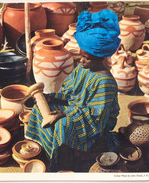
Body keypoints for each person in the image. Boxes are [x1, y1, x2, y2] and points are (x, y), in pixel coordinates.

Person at [25, 9, 121, 172]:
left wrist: (66, 114)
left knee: (63, 124)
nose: (82, 60)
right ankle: (44, 151)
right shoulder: (83, 68)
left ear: (100, 57)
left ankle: (63, 164)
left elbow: (98, 117)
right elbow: (69, 94)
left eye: (87, 58)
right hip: (75, 109)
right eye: (81, 55)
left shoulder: (105, 82)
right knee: (39, 109)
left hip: (93, 122)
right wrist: (51, 98)